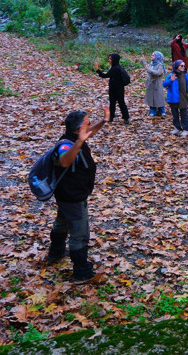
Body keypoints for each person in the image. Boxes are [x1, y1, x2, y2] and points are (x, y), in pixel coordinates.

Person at [46, 107, 110, 283]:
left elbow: (88, 133)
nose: (89, 125)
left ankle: (55, 253)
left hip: (66, 195)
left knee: (62, 223)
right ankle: (81, 272)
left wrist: (103, 121)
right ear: (79, 127)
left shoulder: (74, 138)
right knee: (79, 234)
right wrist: (80, 141)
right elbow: (65, 161)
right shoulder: (67, 144)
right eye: (87, 122)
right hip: (72, 196)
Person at [163, 60, 188, 137]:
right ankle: (177, 127)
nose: (183, 67)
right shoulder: (171, 75)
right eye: (181, 66)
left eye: (184, 66)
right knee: (175, 114)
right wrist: (171, 80)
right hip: (173, 98)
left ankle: (185, 129)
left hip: (183, 97)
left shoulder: (185, 75)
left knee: (184, 114)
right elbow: (164, 84)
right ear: (177, 66)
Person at [96, 53, 130, 124]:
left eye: (110, 59)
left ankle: (122, 117)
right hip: (117, 88)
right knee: (117, 103)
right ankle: (120, 117)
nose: (109, 60)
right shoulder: (117, 67)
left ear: (114, 60)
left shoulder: (115, 68)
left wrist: (97, 70)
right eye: (109, 59)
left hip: (116, 89)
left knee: (117, 103)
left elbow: (105, 75)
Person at [142, 51, 166, 116]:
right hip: (150, 82)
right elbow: (148, 70)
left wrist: (149, 69)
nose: (151, 56)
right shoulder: (151, 64)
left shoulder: (160, 65)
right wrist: (143, 62)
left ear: (157, 57)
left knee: (158, 97)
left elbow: (158, 73)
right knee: (150, 97)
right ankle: (153, 110)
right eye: (151, 55)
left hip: (157, 83)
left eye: (153, 55)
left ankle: (162, 110)